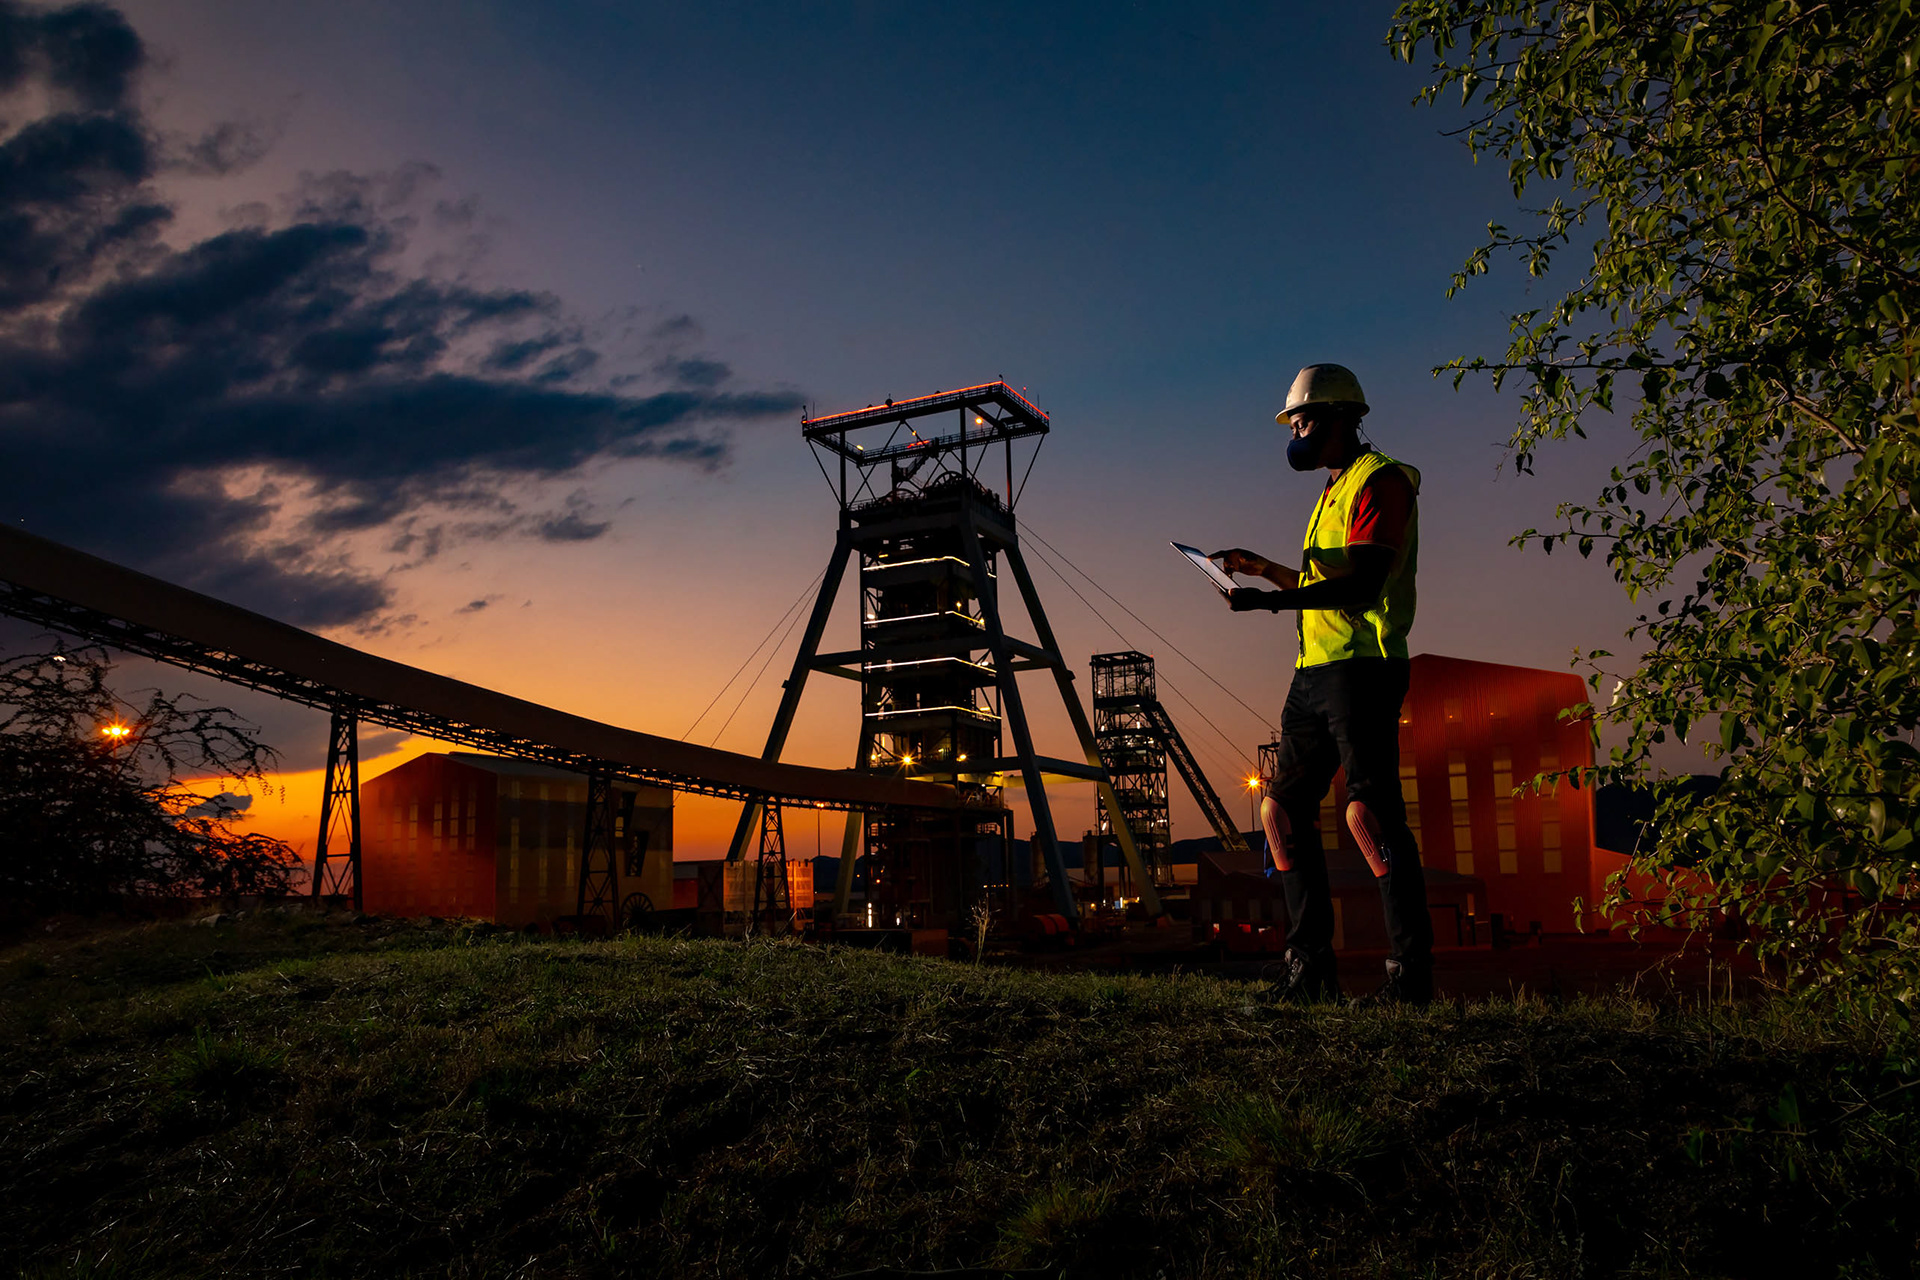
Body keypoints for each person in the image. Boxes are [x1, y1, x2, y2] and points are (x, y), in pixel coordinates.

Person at [1212, 363, 1433, 1005]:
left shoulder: (1381, 481)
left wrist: (1264, 606)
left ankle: (1409, 977)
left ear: (1342, 419)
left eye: (1304, 420)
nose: (1296, 431)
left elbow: (1362, 588)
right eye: (1294, 422)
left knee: (1369, 816)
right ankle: (1309, 970)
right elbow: (1321, 589)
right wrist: (1262, 570)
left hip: (1364, 668)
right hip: (1313, 673)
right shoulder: (1332, 491)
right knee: (1279, 812)